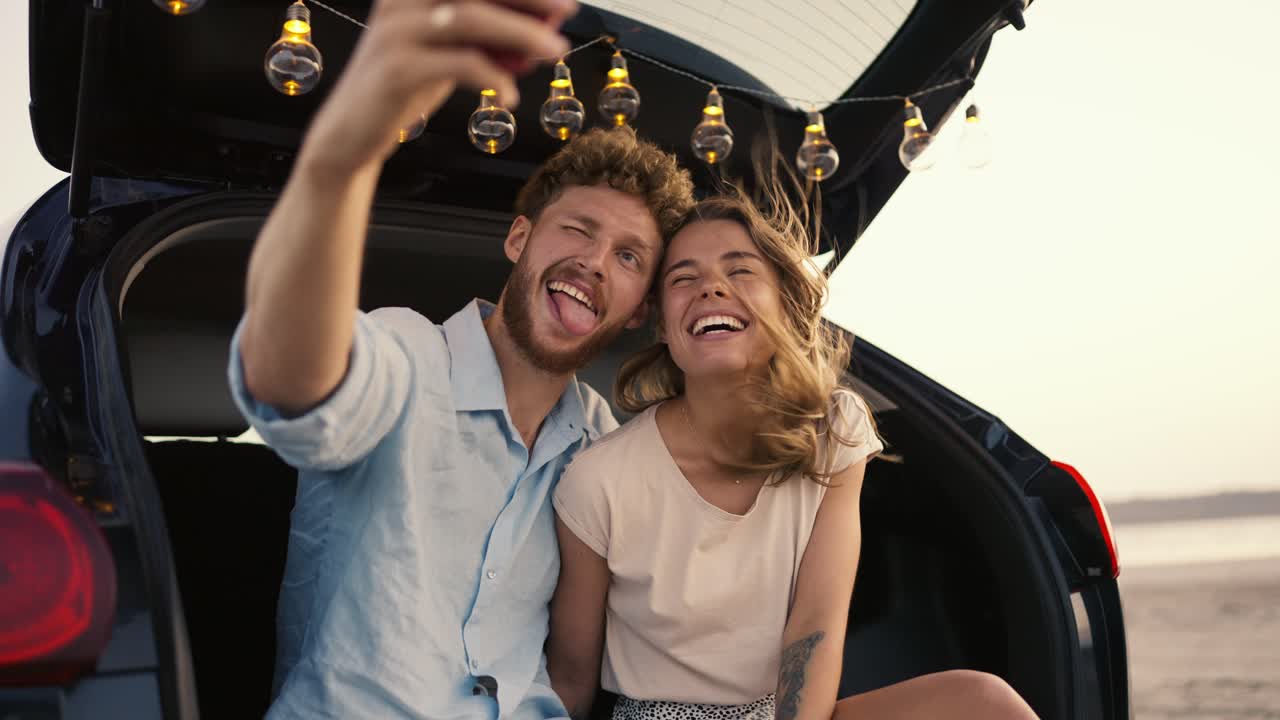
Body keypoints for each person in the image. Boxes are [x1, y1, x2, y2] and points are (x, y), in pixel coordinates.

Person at [227, 0, 696, 716]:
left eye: (628, 256)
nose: (594, 262)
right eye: (577, 228)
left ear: (637, 311)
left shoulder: (605, 443)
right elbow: (294, 381)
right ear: (519, 240)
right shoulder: (412, 357)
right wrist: (340, 158)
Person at [546, 164, 1041, 719]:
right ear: (662, 324)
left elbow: (815, 627)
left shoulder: (834, 429)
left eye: (741, 271)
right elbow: (571, 676)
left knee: (985, 704)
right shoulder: (599, 479)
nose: (712, 286)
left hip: (785, 711)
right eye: (683, 278)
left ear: (785, 306)